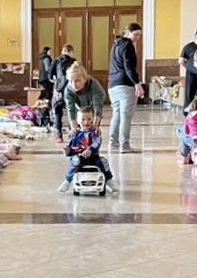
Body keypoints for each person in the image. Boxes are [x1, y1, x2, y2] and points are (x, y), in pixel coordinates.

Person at [58, 106, 116, 194]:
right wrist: (68, 150)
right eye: (83, 119)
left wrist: (90, 150)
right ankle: (67, 181)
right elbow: (72, 148)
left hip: (93, 157)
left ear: (93, 119)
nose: (86, 122)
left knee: (103, 161)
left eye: (89, 119)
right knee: (76, 161)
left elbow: (97, 142)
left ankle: (109, 180)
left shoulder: (95, 133)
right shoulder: (75, 134)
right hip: (80, 157)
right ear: (78, 121)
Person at [108, 23, 145, 151]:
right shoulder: (128, 45)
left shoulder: (115, 45)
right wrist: (137, 83)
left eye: (139, 35)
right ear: (128, 33)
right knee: (126, 115)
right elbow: (129, 67)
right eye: (136, 34)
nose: (137, 38)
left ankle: (113, 142)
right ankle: (124, 144)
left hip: (113, 85)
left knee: (117, 114)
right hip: (125, 84)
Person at [63, 64, 106, 135]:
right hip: (79, 106)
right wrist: (74, 128)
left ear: (85, 79)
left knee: (92, 128)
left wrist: (95, 126)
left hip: (93, 103)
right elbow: (70, 108)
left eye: (77, 81)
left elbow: (97, 107)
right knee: (77, 129)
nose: (74, 84)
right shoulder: (68, 89)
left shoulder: (94, 85)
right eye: (71, 81)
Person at [50, 45, 77, 143]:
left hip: (59, 91)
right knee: (72, 111)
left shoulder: (56, 61)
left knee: (58, 112)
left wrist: (56, 81)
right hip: (71, 90)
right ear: (71, 52)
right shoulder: (74, 62)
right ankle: (72, 133)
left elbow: (50, 75)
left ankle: (59, 136)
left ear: (62, 51)